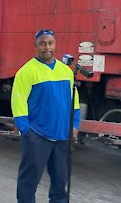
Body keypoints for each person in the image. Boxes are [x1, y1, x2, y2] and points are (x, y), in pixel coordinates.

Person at [11, 29, 80, 203]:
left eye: (50, 43)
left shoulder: (66, 71)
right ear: (35, 46)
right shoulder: (26, 72)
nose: (47, 47)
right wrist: (27, 131)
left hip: (62, 136)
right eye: (42, 43)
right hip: (38, 136)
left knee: (60, 181)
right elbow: (18, 102)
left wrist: (75, 125)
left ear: (55, 45)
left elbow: (75, 102)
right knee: (29, 181)